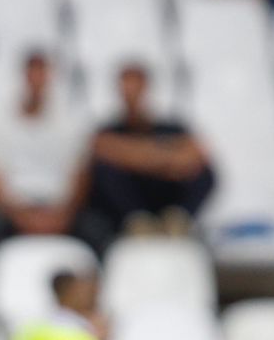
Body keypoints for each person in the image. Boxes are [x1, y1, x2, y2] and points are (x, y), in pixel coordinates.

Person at [75, 63, 214, 253]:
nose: (131, 92)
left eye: (135, 85)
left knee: (205, 173)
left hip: (164, 198)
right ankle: (137, 221)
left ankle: (178, 220)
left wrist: (132, 157)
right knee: (101, 170)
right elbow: (101, 147)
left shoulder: (172, 126)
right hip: (127, 205)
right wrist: (165, 159)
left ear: (146, 87)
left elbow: (196, 155)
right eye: (126, 85)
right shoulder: (107, 128)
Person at [0, 50, 90, 271]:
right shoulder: (1, 123)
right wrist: (21, 216)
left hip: (59, 209)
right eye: (32, 73)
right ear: (23, 76)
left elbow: (81, 175)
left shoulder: (69, 122)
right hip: (14, 210)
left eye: (42, 73)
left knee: (96, 231)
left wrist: (62, 215)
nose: (37, 80)